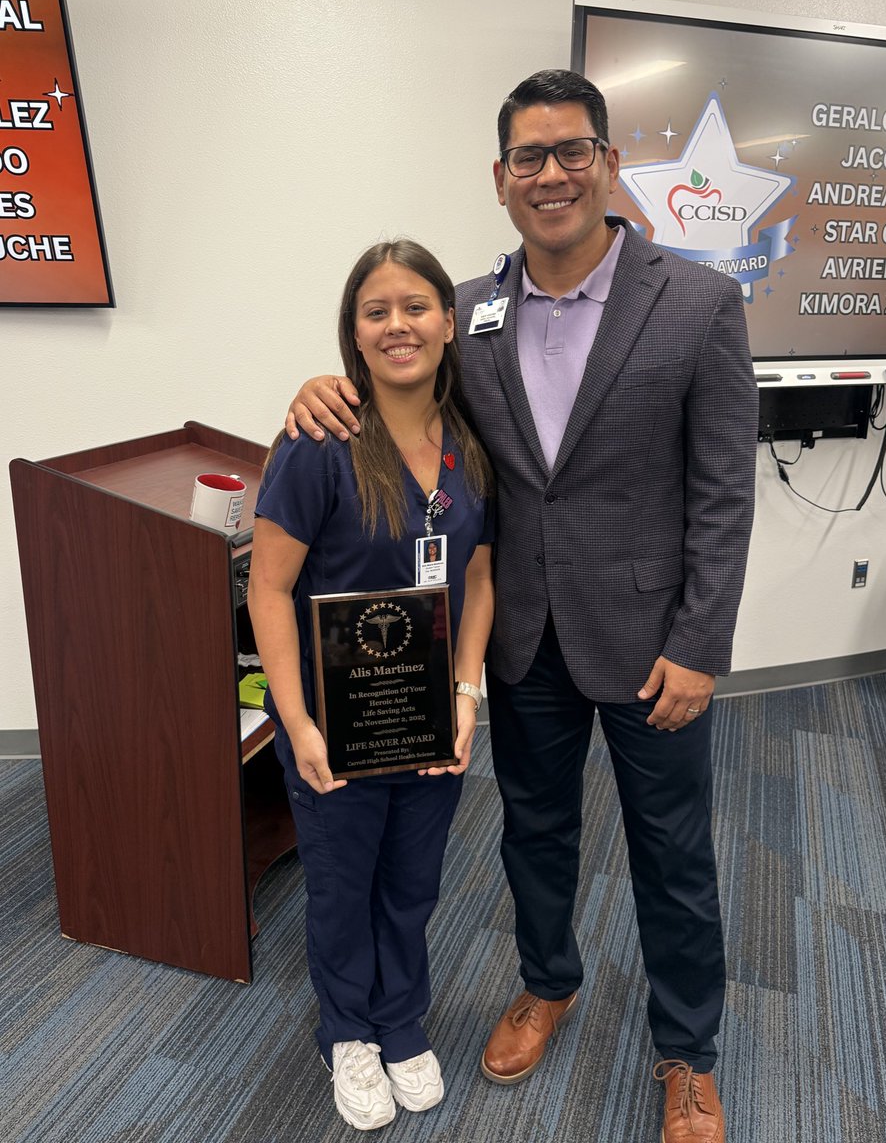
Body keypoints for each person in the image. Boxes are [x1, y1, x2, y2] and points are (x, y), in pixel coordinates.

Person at [283, 70, 758, 1143]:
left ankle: (687, 1051)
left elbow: (725, 491)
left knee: (670, 852)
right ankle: (549, 982)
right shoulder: (463, 312)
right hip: (519, 637)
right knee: (534, 835)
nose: (550, 174)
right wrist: (315, 391)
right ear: (500, 179)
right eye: (527, 158)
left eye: (571, 150)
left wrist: (701, 643)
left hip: (652, 646)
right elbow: (393, 387)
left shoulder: (694, 303)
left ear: (605, 162)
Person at [248, 239, 494, 1132]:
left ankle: (400, 1021)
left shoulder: (468, 441)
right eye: (376, 310)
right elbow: (268, 588)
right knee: (342, 885)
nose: (399, 325)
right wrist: (296, 722)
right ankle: (347, 1030)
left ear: (448, 320)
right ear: (353, 333)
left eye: (416, 305)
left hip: (428, 723)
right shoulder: (318, 443)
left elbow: (477, 580)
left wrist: (466, 699)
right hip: (334, 729)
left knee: (413, 883)